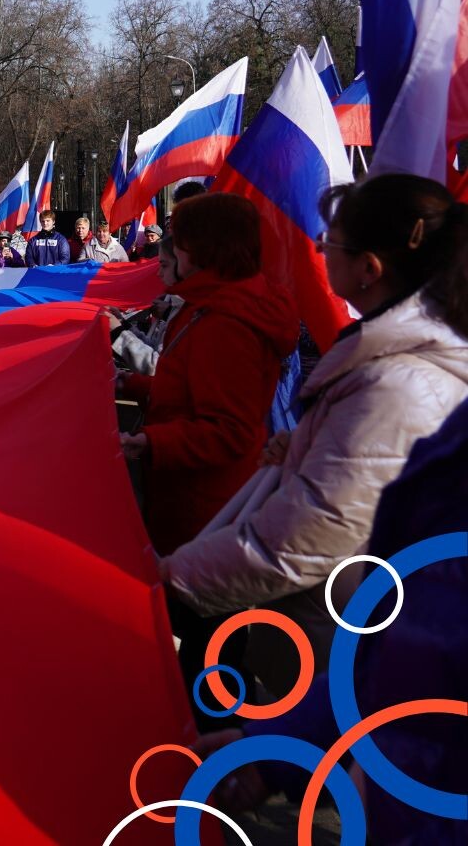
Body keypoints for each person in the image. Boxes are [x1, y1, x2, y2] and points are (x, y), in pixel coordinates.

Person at [161, 174, 468, 697]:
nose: (319, 251)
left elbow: (307, 537)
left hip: (347, 649)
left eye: (331, 243)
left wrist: (168, 580)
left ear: (369, 269)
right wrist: (305, 450)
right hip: (335, 627)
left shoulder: (395, 385)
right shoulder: (388, 366)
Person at [195, 394, 468, 844]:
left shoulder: (399, 384)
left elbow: (325, 517)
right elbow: (404, 657)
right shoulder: (447, 433)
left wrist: (184, 575)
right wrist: (276, 752)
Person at [116, 194, 299, 730]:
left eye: (184, 239)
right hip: (199, 505)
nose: (173, 249)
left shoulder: (227, 322)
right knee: (204, 637)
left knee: (209, 648)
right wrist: (133, 384)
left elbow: (228, 429)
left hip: (208, 510)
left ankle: (218, 754)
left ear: (205, 249)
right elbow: (191, 389)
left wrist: (150, 442)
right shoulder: (210, 308)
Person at [110, 236, 183, 374]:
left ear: (183, 264)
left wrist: (118, 333)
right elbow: (153, 347)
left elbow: (157, 367)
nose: (159, 273)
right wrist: (123, 325)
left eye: (164, 265)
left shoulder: (189, 311)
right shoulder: (174, 302)